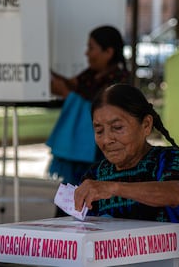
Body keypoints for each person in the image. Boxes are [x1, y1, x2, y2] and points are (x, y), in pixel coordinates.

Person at [74, 84, 179, 266]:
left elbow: (175, 193)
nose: (107, 139)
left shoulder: (168, 159)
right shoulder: (95, 175)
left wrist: (113, 187)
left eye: (117, 127)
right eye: (99, 130)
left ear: (146, 125)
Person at [46, 25, 130, 217]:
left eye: (91, 48)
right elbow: (70, 85)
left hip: (100, 157)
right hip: (79, 159)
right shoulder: (90, 75)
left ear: (108, 52)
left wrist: (68, 94)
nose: (87, 53)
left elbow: (101, 109)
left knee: (93, 209)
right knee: (68, 209)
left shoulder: (119, 81)